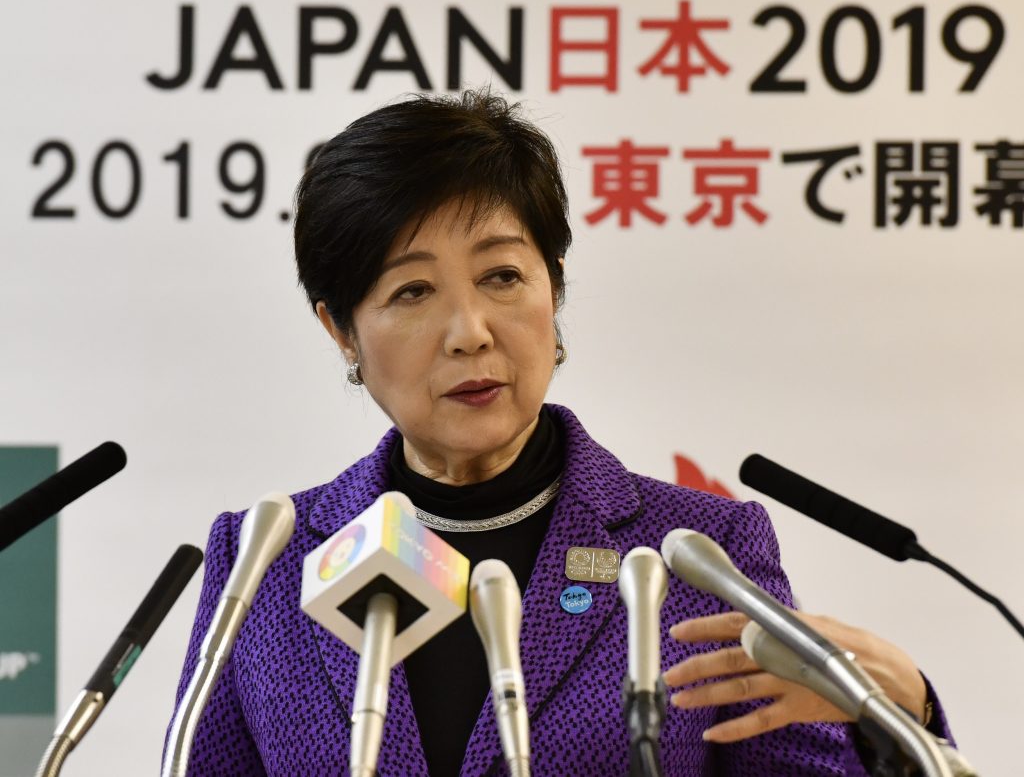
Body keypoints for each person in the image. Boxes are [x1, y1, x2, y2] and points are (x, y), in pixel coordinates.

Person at [167, 90, 954, 776]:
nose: (469, 331)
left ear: (555, 285)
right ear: (342, 331)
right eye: (412, 290)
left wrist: (902, 711)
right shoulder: (267, 559)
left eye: (502, 275)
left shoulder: (698, 551)